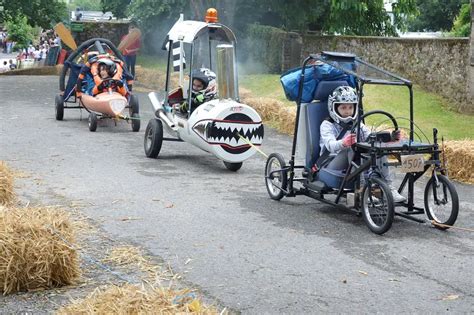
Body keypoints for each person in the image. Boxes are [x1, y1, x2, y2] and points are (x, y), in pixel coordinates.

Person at [318, 86, 406, 202]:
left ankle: (388, 188)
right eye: (343, 107)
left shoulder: (357, 123)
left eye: (350, 107)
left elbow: (371, 137)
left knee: (378, 147)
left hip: (353, 161)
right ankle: (363, 189)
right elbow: (331, 146)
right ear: (334, 108)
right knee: (351, 148)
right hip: (331, 162)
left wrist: (390, 137)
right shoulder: (327, 124)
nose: (347, 111)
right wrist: (344, 143)